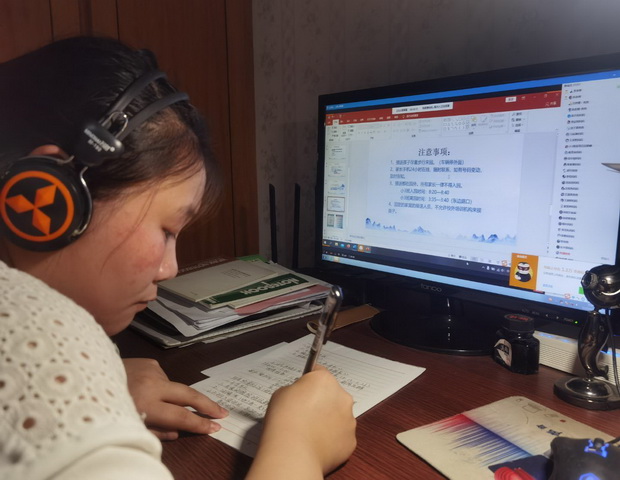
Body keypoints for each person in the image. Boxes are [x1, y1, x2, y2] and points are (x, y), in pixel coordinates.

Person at [0, 36, 356, 479]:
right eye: (167, 230)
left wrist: (104, 379)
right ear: (49, 194)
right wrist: (299, 446)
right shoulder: (35, 340)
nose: (169, 269)